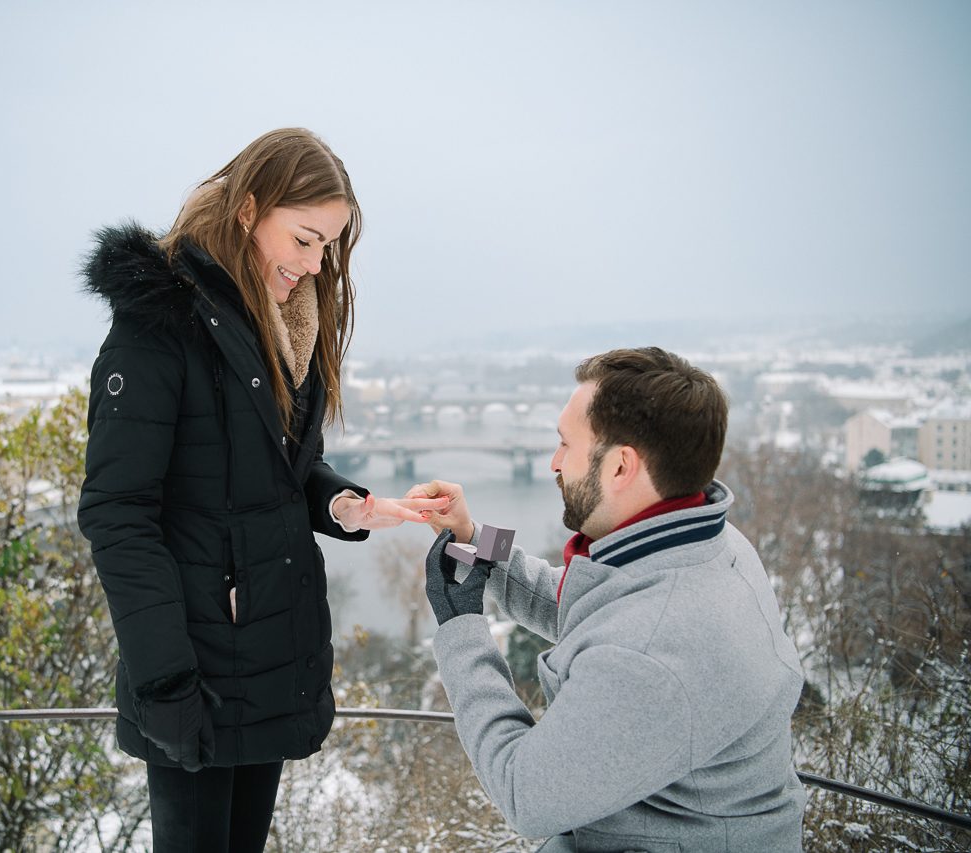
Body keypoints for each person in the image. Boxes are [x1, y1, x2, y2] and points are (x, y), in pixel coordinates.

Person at [76, 128, 445, 852]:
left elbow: (274, 466)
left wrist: (341, 502)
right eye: (304, 240)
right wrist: (167, 684)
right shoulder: (158, 326)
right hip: (194, 670)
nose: (313, 266)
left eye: (327, 248)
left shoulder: (280, 326)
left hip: (269, 655)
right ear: (249, 209)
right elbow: (117, 515)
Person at [411, 347, 807, 853]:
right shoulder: (708, 545)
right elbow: (589, 611)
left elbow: (525, 794)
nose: (553, 463)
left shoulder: (653, 649)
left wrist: (460, 627)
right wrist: (475, 537)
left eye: (564, 445)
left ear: (621, 466)